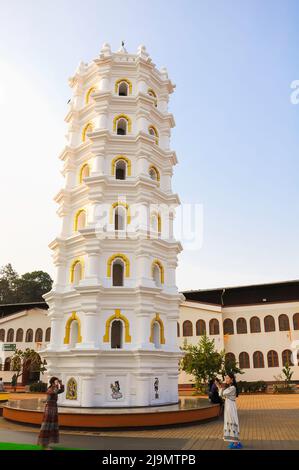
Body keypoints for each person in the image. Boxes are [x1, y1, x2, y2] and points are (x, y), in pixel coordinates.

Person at [37, 377, 64, 450]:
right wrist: (43, 400)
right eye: (55, 382)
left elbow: (62, 390)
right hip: (49, 409)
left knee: (51, 426)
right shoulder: (50, 390)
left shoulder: (53, 389)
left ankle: (46, 444)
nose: (56, 383)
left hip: (53, 408)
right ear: (52, 383)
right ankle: (44, 445)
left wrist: (60, 383)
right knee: (47, 426)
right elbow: (50, 396)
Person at [217, 373, 242, 449]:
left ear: (232, 379)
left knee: (232, 421)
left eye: (228, 378)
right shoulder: (230, 387)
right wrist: (220, 388)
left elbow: (222, 393)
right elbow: (222, 394)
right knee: (229, 421)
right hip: (228, 406)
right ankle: (233, 441)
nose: (226, 380)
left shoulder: (233, 388)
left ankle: (236, 442)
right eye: (226, 378)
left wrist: (219, 387)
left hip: (231, 407)